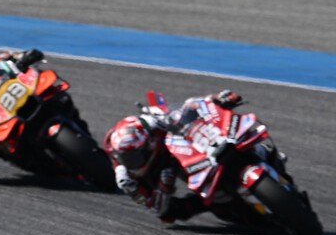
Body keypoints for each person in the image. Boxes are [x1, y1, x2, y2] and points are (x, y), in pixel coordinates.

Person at [103, 90, 244, 224]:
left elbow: (189, 106)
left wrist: (217, 98)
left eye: (134, 157)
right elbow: (157, 209)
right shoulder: (126, 180)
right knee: (172, 213)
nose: (131, 163)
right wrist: (164, 187)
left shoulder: (154, 124)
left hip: (182, 149)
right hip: (163, 174)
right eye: (126, 158)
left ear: (149, 144)